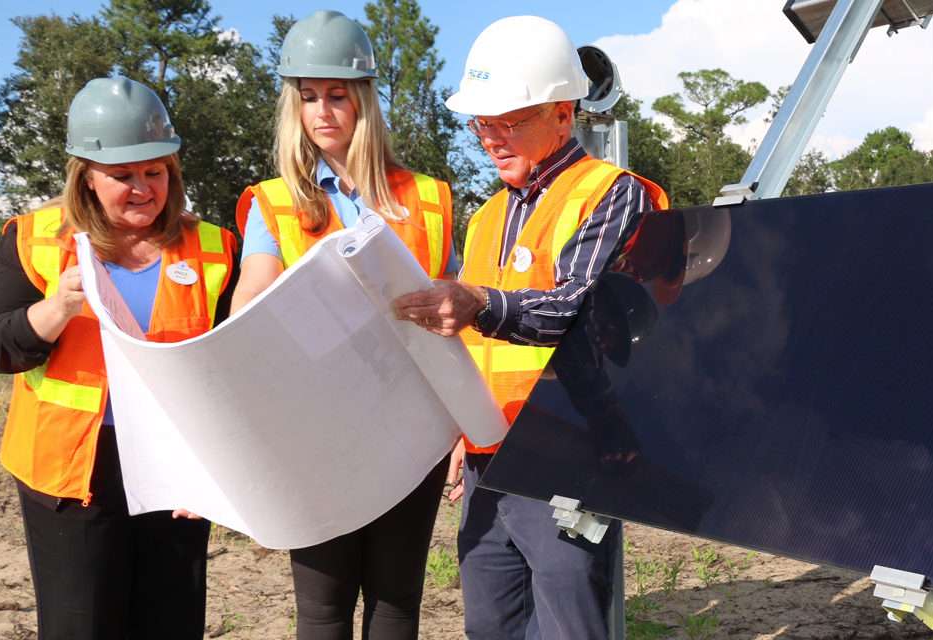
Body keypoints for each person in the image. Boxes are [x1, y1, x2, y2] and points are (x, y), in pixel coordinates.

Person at [392, 15, 669, 640]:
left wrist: (481, 301)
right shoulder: (487, 215)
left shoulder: (610, 193)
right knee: (492, 626)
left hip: (568, 452)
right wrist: (464, 431)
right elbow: (474, 342)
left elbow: (573, 307)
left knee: (570, 627)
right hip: (493, 457)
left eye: (510, 121)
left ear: (564, 114)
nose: (490, 138)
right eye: (483, 123)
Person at [0, 76, 237, 639]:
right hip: (69, 472)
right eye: (123, 176)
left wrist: (215, 466)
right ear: (86, 178)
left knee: (169, 621)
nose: (143, 188)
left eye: (156, 171)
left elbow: (234, 365)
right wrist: (54, 310)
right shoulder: (33, 239)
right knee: (82, 624)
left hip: (176, 469)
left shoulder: (215, 246)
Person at [229, 10, 454, 640]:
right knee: (323, 607)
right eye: (308, 98)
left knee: (396, 599)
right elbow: (249, 297)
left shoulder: (430, 199)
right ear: (293, 107)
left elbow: (453, 318)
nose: (323, 111)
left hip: (412, 423)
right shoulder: (275, 203)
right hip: (316, 427)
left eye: (337, 95)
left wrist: (462, 424)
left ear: (364, 101)